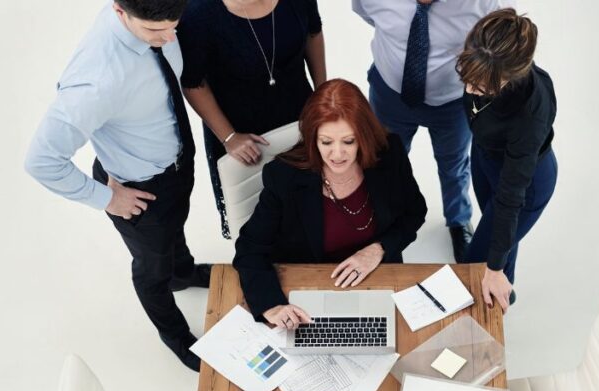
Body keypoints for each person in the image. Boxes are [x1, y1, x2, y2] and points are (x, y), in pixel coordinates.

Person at [25, 1, 208, 372]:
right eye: (156, 32)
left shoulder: (159, 21)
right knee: (152, 267)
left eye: (175, 25)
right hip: (137, 189)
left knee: (175, 234)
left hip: (176, 164)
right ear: (120, 11)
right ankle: (176, 336)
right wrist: (107, 198)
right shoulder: (96, 81)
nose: (171, 38)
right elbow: (41, 160)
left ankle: (182, 272)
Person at [233, 79, 427, 326]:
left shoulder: (389, 155)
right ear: (312, 138)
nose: (337, 155)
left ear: (364, 136)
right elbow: (250, 248)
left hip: (374, 274)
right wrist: (271, 305)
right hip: (309, 285)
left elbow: (414, 212)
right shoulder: (283, 177)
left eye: (348, 141)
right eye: (326, 142)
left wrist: (378, 249)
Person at [352, 0, 501, 262]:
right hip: (390, 95)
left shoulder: (485, 2)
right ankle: (385, 224)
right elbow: (369, 15)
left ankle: (458, 221)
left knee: (454, 164)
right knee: (383, 162)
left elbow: (499, 41)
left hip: (453, 102)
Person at [179, 0, 326, 238]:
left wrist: (323, 94)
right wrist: (229, 136)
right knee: (257, 223)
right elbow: (193, 83)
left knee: (311, 208)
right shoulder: (199, 12)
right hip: (239, 129)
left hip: (301, 113)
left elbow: (313, 33)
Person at [455, 10, 557, 312]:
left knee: (476, 262)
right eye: (468, 78)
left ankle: (494, 293)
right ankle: (502, 291)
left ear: (512, 76)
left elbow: (511, 198)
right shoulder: (485, 56)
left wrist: (493, 268)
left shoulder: (530, 114)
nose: (471, 90)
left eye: (482, 87)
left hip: (525, 184)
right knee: (499, 233)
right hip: (486, 157)